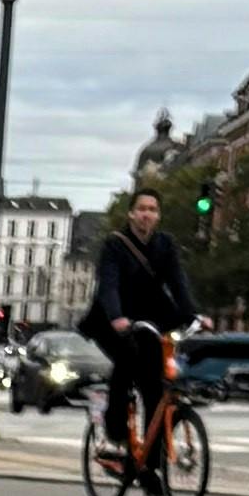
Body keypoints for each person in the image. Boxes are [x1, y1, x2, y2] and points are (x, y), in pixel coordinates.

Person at [85, 184, 196, 459]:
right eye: (142, 209)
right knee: (127, 359)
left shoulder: (165, 244)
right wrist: (116, 317)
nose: (147, 215)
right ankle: (115, 429)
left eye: (153, 210)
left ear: (158, 216)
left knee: (154, 387)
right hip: (113, 319)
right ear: (131, 214)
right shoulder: (115, 244)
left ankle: (150, 461)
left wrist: (193, 315)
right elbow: (108, 284)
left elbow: (177, 282)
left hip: (148, 319)